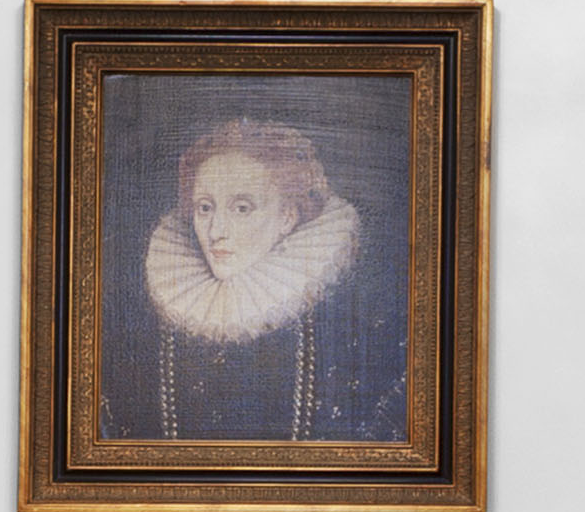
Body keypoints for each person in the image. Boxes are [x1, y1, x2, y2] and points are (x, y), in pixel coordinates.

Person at [117, 111, 409, 446]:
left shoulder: (357, 328)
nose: (216, 231)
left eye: (242, 208)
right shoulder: (143, 326)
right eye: (205, 208)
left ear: (287, 217)